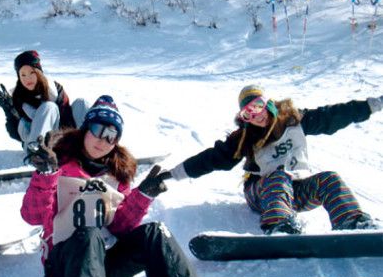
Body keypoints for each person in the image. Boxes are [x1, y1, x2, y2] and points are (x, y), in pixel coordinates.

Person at [20, 95, 214, 277]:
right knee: (88, 232)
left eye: (111, 136)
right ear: (85, 128)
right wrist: (47, 175)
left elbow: (119, 227)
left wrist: (143, 195)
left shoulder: (117, 174)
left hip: (103, 263)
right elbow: (33, 216)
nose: (103, 140)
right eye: (98, 129)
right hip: (64, 265)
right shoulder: (57, 163)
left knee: (155, 231)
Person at [157, 84, 383, 235]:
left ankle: (351, 221)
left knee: (330, 179)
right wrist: (173, 173)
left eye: (257, 106)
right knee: (278, 176)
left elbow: (332, 115)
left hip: (295, 192)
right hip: (262, 194)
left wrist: (373, 105)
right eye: (247, 113)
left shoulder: (295, 120)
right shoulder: (245, 138)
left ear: (268, 103)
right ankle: (279, 225)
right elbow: (212, 159)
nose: (256, 116)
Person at [0, 50, 89, 152]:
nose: (28, 78)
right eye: (23, 75)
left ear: (39, 72)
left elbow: (67, 119)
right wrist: (10, 111)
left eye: (31, 73)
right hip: (35, 143)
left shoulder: (54, 90)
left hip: (62, 138)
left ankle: (88, 147)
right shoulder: (17, 96)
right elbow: (17, 135)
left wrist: (66, 142)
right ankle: (38, 152)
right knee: (49, 107)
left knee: (81, 103)